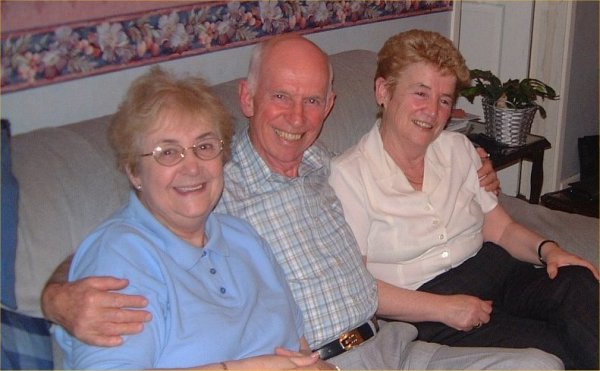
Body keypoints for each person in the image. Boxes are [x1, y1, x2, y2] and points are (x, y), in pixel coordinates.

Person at [42, 35, 563, 370]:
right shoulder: (212, 187)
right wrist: (57, 299)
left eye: (312, 100)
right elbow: (121, 239)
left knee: (539, 365)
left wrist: (477, 165)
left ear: (329, 106)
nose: (297, 117)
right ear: (247, 99)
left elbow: (403, 147)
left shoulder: (324, 165)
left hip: (392, 344)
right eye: (280, 97)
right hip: (326, 358)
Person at [328, 29, 599, 370]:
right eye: (420, 93)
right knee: (558, 347)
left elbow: (500, 230)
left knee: (576, 281)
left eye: (444, 99)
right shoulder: (349, 175)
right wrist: (444, 308)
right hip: (429, 309)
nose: (432, 111)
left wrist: (549, 250)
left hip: (497, 270)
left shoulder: (458, 149)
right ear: (384, 91)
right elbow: (358, 288)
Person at [53, 66, 331, 370]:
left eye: (205, 147)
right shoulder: (123, 255)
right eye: (168, 153)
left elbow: (300, 349)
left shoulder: (244, 238)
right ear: (134, 170)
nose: (193, 167)